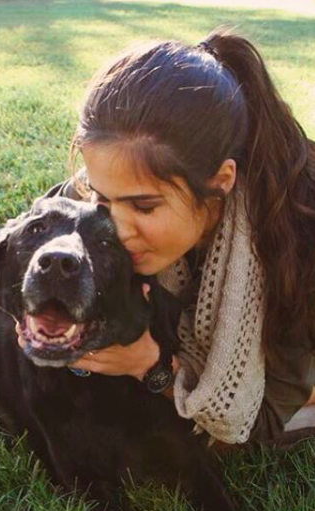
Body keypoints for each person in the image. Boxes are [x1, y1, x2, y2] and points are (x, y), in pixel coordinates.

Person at [17, 28, 315, 445]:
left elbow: (261, 421)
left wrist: (149, 364)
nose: (115, 229)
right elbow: (17, 249)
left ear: (221, 181)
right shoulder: (107, 190)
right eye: (101, 197)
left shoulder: (296, 238)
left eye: (144, 207)